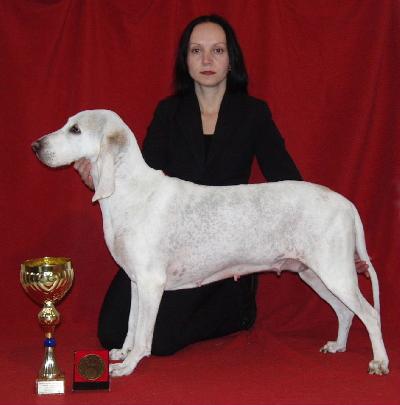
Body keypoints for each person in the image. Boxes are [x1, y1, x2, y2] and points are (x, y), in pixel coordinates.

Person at [74, 14, 368, 356]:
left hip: (229, 252)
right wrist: (100, 176)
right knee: (111, 330)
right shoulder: (168, 112)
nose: (207, 60)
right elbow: (144, 181)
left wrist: (327, 237)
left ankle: (236, 310)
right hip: (171, 249)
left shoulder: (253, 113)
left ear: (231, 60)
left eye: (217, 50)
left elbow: (287, 180)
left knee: (162, 340)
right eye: (196, 51)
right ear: (185, 60)